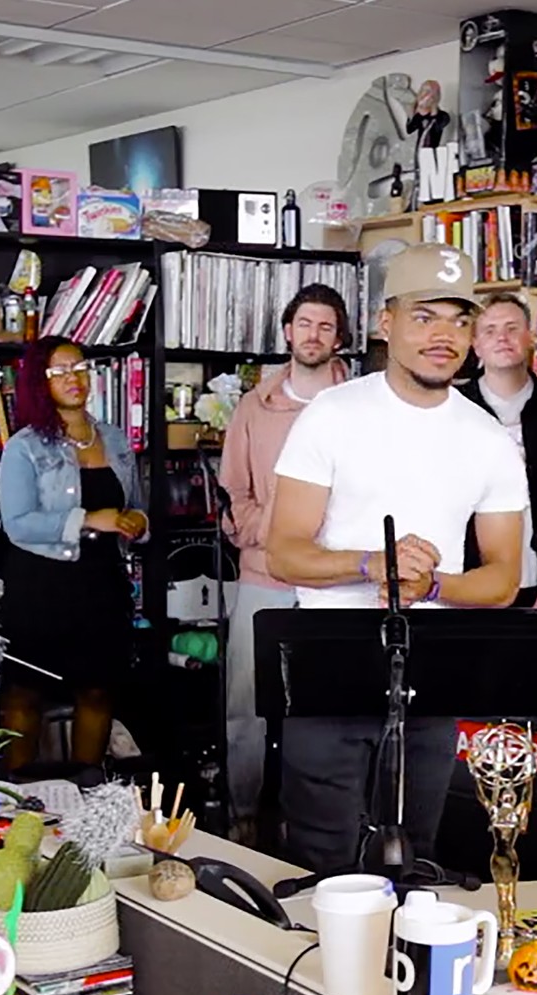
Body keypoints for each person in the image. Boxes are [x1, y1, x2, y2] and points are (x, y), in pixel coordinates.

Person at [266, 243, 527, 873]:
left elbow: (503, 579)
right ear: (387, 324)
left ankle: (400, 970)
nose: (444, 336)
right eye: (425, 317)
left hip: (431, 666)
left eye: (459, 320)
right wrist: (370, 567)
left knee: (412, 853)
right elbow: (285, 552)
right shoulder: (333, 415)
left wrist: (431, 584)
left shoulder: (488, 440)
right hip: (329, 657)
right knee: (319, 858)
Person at [219, 284, 351, 844]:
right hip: (265, 577)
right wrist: (272, 530)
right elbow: (234, 499)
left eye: (325, 326)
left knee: (329, 708)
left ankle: (322, 824)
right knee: (246, 705)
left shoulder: (364, 402)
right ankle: (243, 814)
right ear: (287, 332)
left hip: (341, 583)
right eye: (304, 324)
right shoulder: (256, 407)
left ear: (339, 336)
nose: (313, 335)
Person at [0, 337, 149, 776]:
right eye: (59, 371)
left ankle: (88, 791)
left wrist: (136, 520)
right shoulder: (24, 447)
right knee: (27, 694)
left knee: (98, 691)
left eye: (80, 368)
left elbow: (135, 503)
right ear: (39, 383)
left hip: (102, 584)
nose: (73, 379)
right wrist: (87, 519)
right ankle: (20, 795)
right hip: (41, 585)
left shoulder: (116, 440)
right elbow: (18, 523)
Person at [457, 294, 537, 605]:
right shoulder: (454, 407)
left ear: (530, 338)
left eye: (512, 328)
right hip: (468, 578)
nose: (502, 338)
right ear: (475, 344)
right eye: (490, 330)